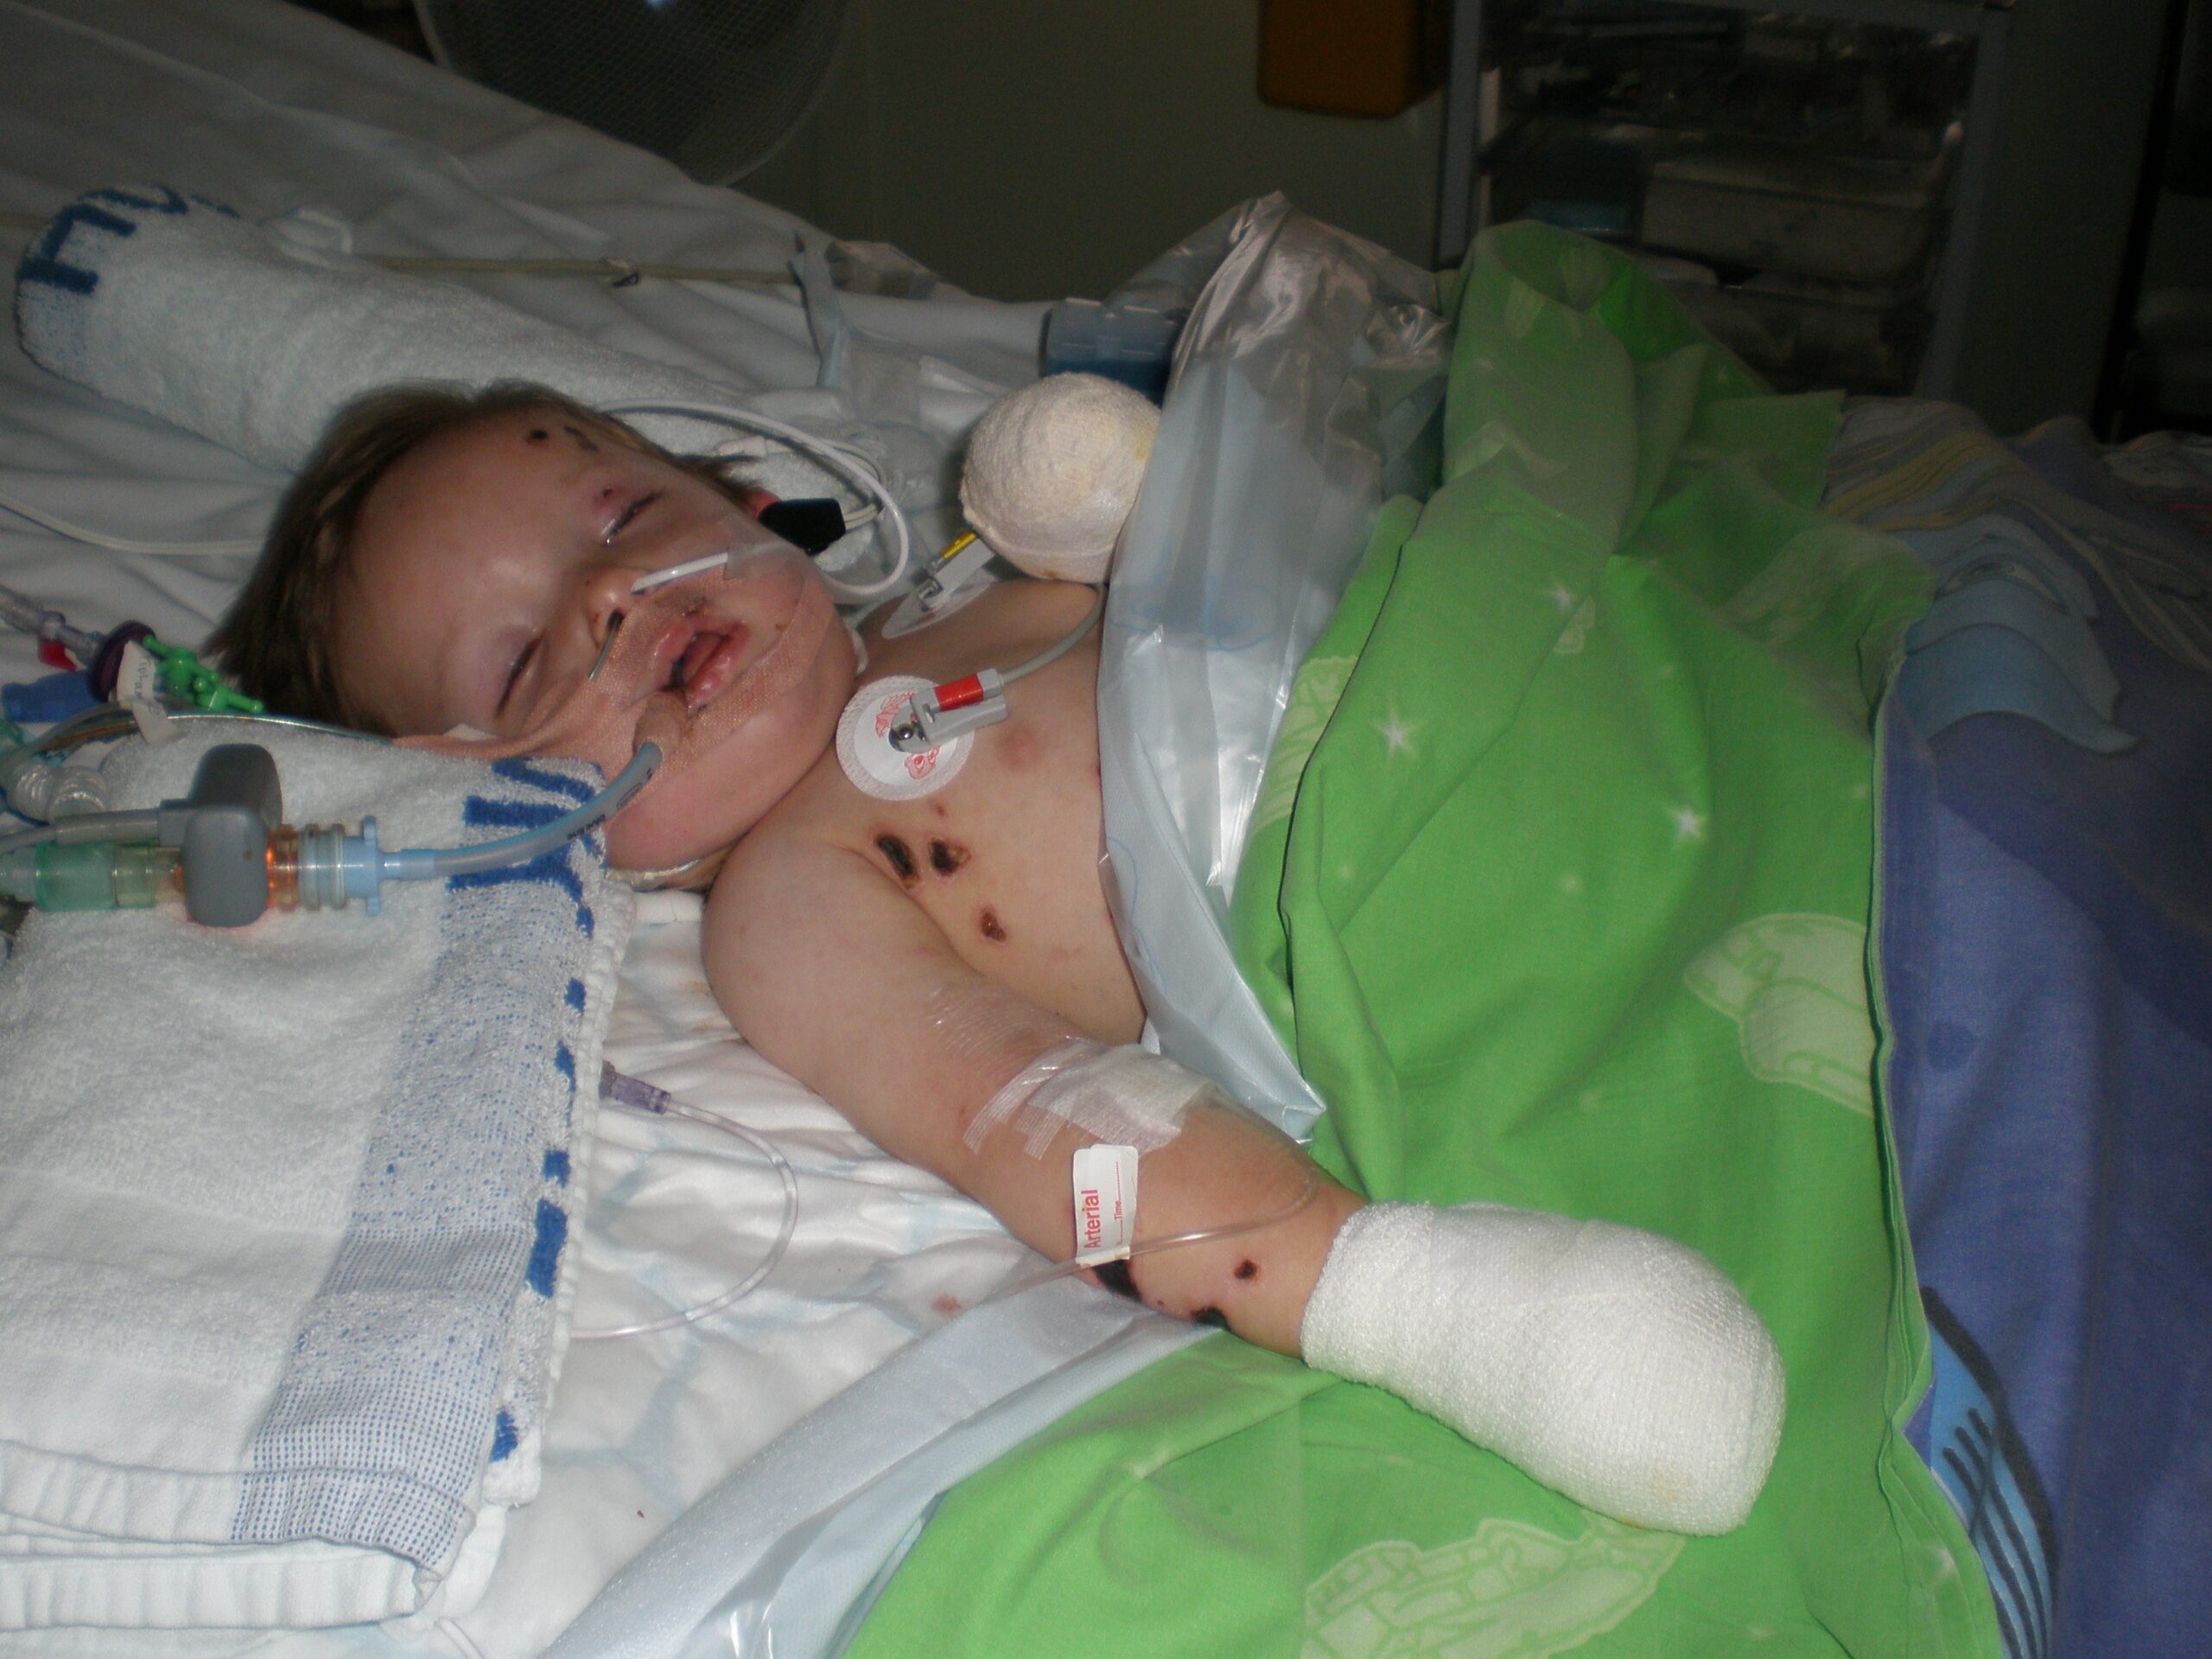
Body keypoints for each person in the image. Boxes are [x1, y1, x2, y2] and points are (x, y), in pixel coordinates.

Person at [210, 381, 1786, 1535]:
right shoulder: (790, 902)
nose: (610, 596)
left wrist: (1114, 509)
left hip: (1531, 649)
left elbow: (1231, 550)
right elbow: (1038, 1116)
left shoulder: (962, 598)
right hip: (1428, 868)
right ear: (504, 795)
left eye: (623, 519)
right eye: (523, 659)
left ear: (746, 503)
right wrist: (1407, 1299)